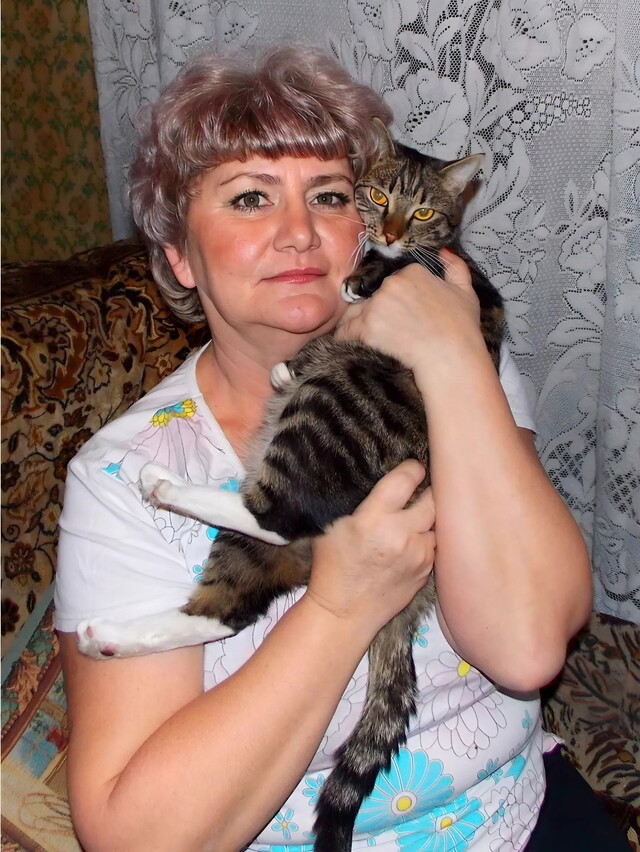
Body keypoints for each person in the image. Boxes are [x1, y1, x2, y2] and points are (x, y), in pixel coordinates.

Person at [54, 45, 618, 852]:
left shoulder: (449, 353)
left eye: (329, 195)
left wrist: (455, 358)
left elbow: (528, 647)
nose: (299, 233)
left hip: (520, 818)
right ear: (179, 254)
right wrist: (340, 605)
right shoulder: (125, 476)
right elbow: (136, 838)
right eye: (250, 198)